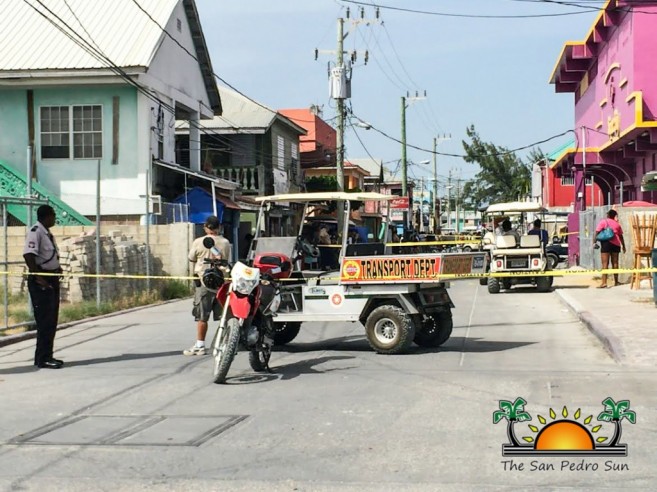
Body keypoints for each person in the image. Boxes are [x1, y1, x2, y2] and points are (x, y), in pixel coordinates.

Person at [183, 216, 232, 356]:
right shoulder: (225, 242)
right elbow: (226, 260)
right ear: (219, 227)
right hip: (220, 282)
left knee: (202, 317)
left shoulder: (198, 242)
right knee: (224, 316)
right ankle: (227, 342)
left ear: (206, 227)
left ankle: (200, 345)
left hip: (203, 282)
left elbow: (191, 258)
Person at [24, 205, 63, 369]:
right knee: (45, 321)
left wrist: (57, 268)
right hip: (42, 280)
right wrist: (38, 277)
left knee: (51, 320)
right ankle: (42, 358)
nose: (54, 218)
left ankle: (47, 355)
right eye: (53, 215)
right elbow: (28, 255)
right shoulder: (36, 232)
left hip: (51, 278)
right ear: (46, 216)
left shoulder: (46, 233)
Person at [594, 209, 626, 288]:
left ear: (608, 215)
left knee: (605, 264)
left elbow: (597, 232)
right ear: (614, 216)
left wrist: (594, 242)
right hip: (616, 245)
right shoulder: (617, 224)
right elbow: (621, 236)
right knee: (615, 263)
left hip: (606, 244)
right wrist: (624, 246)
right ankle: (616, 281)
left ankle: (604, 282)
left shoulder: (603, 222)